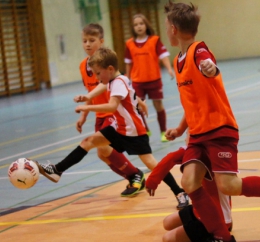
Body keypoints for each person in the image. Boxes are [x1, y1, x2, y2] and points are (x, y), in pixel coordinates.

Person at [163, 1, 260, 242]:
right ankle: (222, 238)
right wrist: (179, 127)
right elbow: (190, 102)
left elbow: (210, 66)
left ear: (173, 29)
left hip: (219, 130)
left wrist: (210, 68)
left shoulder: (199, 51)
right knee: (189, 180)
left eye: (166, 27)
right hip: (197, 133)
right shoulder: (178, 61)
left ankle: (221, 234)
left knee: (229, 186)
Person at [36, 47, 188, 209]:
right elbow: (104, 86)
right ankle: (57, 170)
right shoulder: (115, 79)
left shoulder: (118, 83)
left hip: (134, 131)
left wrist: (86, 108)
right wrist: (88, 96)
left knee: (152, 163)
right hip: (119, 128)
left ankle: (179, 192)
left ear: (109, 69)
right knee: (89, 141)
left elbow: (111, 106)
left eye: (98, 73)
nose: (96, 77)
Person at [77, 23, 145, 197]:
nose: (87, 44)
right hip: (99, 114)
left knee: (103, 148)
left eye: (92, 40)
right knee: (102, 154)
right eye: (84, 41)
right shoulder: (83, 66)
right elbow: (89, 93)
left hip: (113, 113)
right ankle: (133, 176)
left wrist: (137, 100)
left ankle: (135, 174)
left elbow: (122, 84)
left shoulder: (107, 63)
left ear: (101, 41)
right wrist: (84, 116)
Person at [146, 131, 232, 242]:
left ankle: (214, 234)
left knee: (168, 241)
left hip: (216, 218)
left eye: (188, 135)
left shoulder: (200, 151)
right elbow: (170, 158)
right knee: (167, 222)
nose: (185, 139)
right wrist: (152, 181)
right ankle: (204, 227)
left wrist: (152, 181)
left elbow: (171, 158)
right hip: (204, 209)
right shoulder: (201, 148)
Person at [124, 14, 175, 142]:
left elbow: (163, 56)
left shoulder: (154, 40)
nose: (139, 26)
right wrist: (127, 77)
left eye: (141, 23)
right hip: (137, 81)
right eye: (136, 25)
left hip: (154, 80)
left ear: (146, 25)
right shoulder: (129, 44)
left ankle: (163, 131)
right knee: (138, 106)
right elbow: (128, 62)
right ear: (133, 28)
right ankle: (145, 129)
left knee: (158, 105)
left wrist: (169, 68)